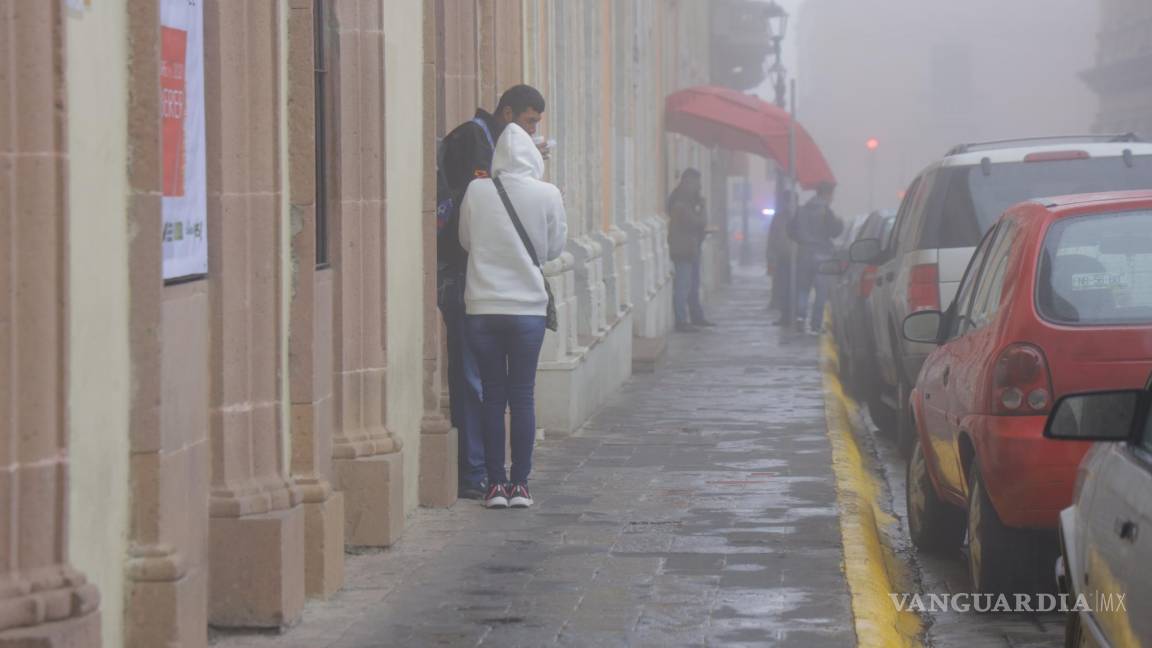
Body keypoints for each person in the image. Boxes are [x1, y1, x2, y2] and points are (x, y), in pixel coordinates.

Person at [436, 85, 548, 499]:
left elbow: (471, 229)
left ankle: (492, 479)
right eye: (529, 122)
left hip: (481, 290)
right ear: (507, 114)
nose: (532, 133)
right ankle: (485, 474)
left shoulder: (487, 146)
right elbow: (468, 229)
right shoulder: (473, 140)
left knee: (489, 390)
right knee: (488, 387)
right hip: (469, 280)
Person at [458, 122, 567, 510]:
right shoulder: (548, 193)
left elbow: (465, 241)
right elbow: (554, 248)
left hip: (483, 309)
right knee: (522, 397)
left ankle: (494, 485)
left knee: (491, 397)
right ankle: (520, 485)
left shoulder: (477, 189)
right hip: (527, 311)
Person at [790, 181, 842, 335]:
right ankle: (816, 324)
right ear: (826, 194)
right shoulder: (826, 212)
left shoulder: (802, 210)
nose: (832, 198)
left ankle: (800, 319)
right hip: (822, 254)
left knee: (803, 289)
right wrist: (839, 223)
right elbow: (834, 231)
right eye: (832, 195)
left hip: (805, 253)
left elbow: (791, 230)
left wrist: (803, 240)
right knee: (821, 291)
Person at [667, 168, 715, 332]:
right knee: (683, 285)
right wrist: (702, 208)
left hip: (691, 248)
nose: (699, 187)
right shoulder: (680, 203)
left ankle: (696, 316)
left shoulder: (686, 201)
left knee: (693, 284)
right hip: (683, 250)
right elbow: (698, 222)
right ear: (688, 182)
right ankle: (681, 321)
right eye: (697, 183)